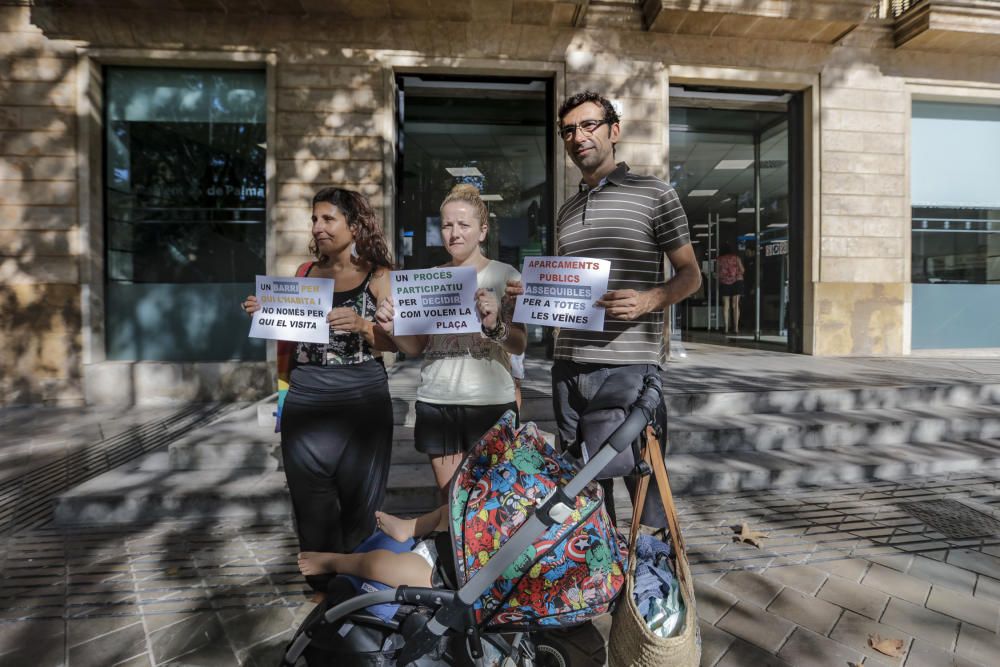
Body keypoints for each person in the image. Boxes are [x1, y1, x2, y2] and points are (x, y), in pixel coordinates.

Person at [507, 91, 701, 528]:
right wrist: (531, 295)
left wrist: (650, 299)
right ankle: (603, 583)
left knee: (645, 487)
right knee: (583, 493)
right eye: (569, 130)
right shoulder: (566, 210)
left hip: (628, 369)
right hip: (569, 368)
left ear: (614, 131)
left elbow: (691, 275)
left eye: (589, 125)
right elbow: (564, 287)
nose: (578, 137)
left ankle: (654, 581)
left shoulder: (656, 194)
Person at [241, 187, 397, 592]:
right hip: (306, 400)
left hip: (362, 400)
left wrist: (365, 327)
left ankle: (356, 593)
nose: (318, 227)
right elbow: (289, 343)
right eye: (315, 219)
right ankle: (324, 591)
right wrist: (266, 313)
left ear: (355, 224)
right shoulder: (304, 274)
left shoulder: (379, 275)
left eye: (328, 219)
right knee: (311, 504)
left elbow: (396, 343)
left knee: (360, 506)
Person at [376, 184, 527, 498]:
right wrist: (393, 329)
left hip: (491, 404)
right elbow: (416, 348)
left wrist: (495, 324)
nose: (454, 233)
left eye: (463, 225)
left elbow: (519, 344)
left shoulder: (505, 275)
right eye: (446, 225)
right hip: (437, 402)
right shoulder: (428, 278)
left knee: (493, 505)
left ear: (482, 231)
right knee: (452, 504)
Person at [297, 506, 449, 589]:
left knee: (378, 565)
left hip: (440, 571)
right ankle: (408, 527)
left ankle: (333, 562)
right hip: (451, 539)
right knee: (449, 509)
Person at [717, 243, 745, 334]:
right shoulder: (736, 258)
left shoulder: (719, 260)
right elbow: (743, 270)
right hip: (737, 282)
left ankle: (726, 328)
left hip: (725, 283)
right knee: (736, 305)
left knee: (726, 306)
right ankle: (736, 328)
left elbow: (717, 273)